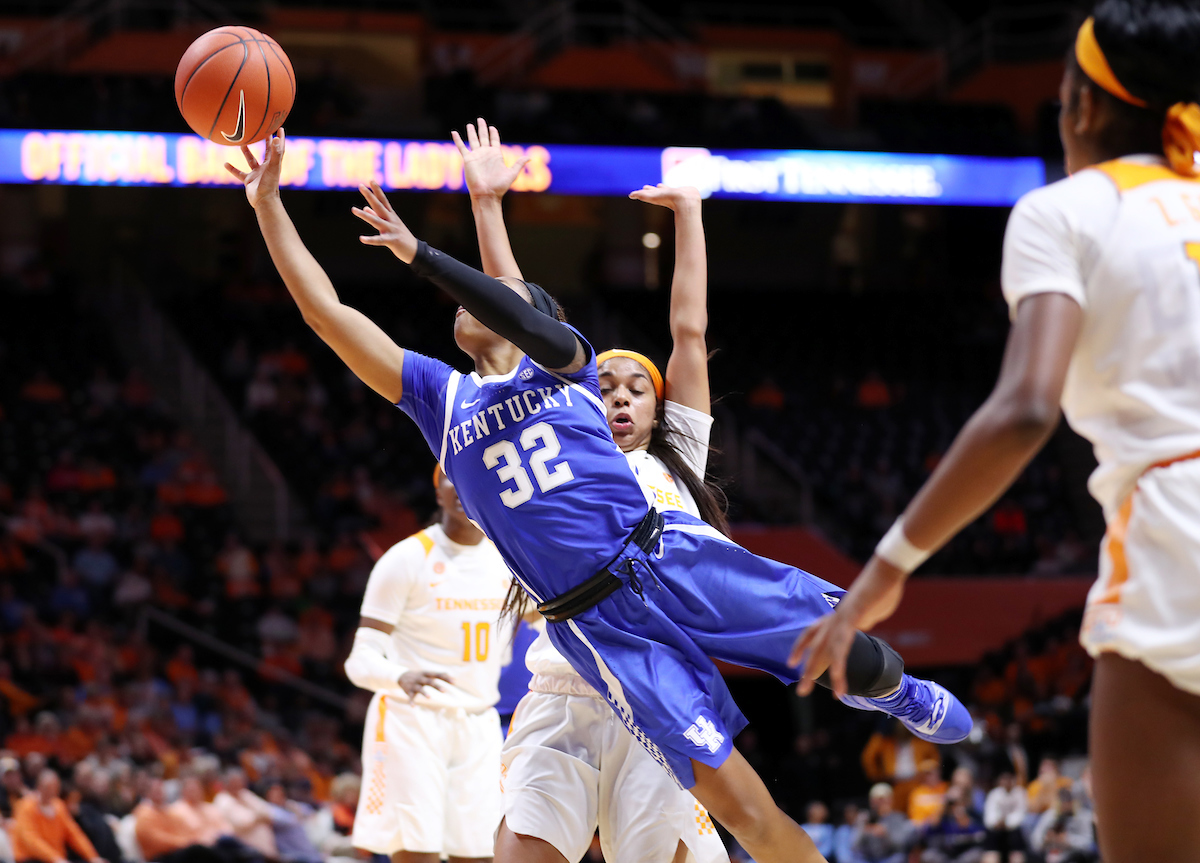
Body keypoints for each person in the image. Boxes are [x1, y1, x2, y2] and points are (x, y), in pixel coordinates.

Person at [227, 122, 970, 863]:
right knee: (741, 805)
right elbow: (326, 313)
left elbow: (515, 308)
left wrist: (424, 252)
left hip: (663, 554)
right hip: (591, 623)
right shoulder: (440, 399)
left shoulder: (570, 362)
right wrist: (268, 206)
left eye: (499, 296)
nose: (471, 303)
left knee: (837, 643)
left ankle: (895, 690)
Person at [790, 3, 1200, 861]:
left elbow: (1023, 408)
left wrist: (885, 570)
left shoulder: (1067, 210)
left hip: (1180, 530)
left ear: (1082, 111)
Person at [454, 121, 727, 863]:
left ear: (660, 406)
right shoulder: (564, 454)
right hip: (561, 691)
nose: (620, 397)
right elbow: (514, 326)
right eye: (603, 384)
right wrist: (487, 205)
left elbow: (690, 332)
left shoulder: (681, 462)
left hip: (657, 698)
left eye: (638, 387)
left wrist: (690, 215)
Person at [342, 466, 512, 863]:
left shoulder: (508, 559)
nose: (461, 484)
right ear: (439, 493)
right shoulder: (405, 559)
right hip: (412, 719)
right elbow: (359, 661)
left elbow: (549, 632)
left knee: (479, 852)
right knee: (417, 852)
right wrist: (398, 676)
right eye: (450, 477)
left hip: (480, 719)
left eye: (468, 475)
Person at [10, 769, 105, 863]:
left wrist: (93, 857)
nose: (51, 791)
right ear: (38, 786)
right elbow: (30, 839)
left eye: (54, 787)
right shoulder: (25, 806)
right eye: (47, 787)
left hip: (57, 858)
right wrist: (55, 858)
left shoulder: (59, 806)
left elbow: (74, 833)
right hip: (31, 858)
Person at [1029, 789, 1096, 863]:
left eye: (1068, 804)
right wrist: (1046, 839)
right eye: (1062, 805)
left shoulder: (1083, 816)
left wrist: (1068, 840)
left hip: (1076, 854)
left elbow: (1090, 844)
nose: (1065, 808)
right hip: (1052, 852)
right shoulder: (1050, 815)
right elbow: (1035, 841)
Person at [854, 784, 912, 863]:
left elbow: (901, 845)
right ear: (871, 801)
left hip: (889, 858)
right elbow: (854, 845)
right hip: (868, 858)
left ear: (891, 800)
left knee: (899, 857)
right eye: (876, 799)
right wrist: (863, 830)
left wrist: (885, 834)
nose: (880, 802)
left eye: (883, 799)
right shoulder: (864, 817)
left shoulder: (898, 818)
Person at [981, 772, 1026, 863]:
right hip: (996, 830)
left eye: (1009, 779)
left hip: (1013, 831)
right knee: (990, 839)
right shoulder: (994, 794)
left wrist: (1007, 822)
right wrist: (997, 822)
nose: (1007, 782)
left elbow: (1021, 814)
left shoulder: (1020, 793)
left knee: (1018, 838)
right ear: (1000, 781)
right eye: (1004, 779)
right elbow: (989, 815)